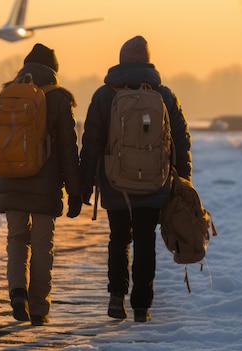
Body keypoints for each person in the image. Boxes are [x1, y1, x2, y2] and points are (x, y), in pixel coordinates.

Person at [79, 35, 192, 322]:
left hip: (116, 182)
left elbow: (91, 142)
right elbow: (180, 139)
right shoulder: (164, 95)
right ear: (147, 61)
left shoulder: (104, 96)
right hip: (155, 181)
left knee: (118, 239)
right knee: (145, 240)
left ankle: (116, 296)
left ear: (121, 61)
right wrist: (183, 179)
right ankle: (142, 305)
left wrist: (86, 182)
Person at [0, 43, 83, 326]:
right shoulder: (59, 100)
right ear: (54, 71)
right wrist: (76, 191)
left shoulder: (7, 95)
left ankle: (16, 291)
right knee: (41, 244)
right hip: (45, 186)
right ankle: (38, 307)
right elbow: (67, 149)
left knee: (15, 239)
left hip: (9, 180)